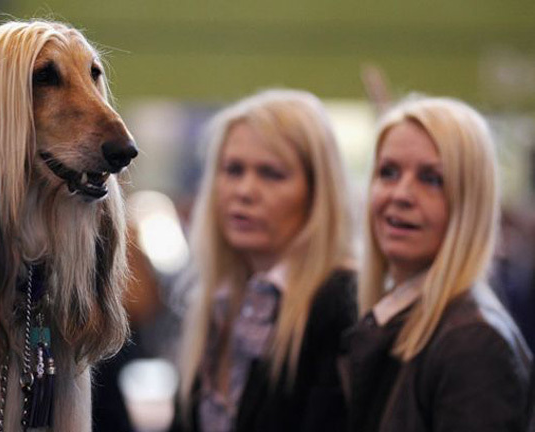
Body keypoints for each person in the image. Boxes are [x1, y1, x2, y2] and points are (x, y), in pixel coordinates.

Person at [339, 96, 532, 432]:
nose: (400, 194)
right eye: (388, 172)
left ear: (470, 201)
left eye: (431, 179)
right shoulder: (402, 320)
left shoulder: (473, 344)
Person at [170, 89, 357, 432]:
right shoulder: (217, 301)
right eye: (233, 169)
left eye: (271, 173)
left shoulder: (341, 302)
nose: (245, 191)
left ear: (318, 192)